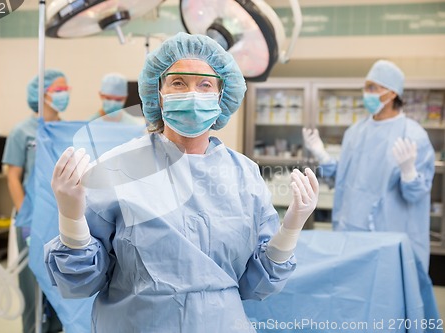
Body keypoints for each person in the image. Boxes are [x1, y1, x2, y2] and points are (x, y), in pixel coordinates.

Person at [45, 32, 319, 333]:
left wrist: (290, 230)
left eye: (205, 85)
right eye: (178, 83)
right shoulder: (118, 168)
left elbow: (255, 285)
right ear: (158, 93)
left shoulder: (244, 175)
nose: (192, 94)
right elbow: (81, 282)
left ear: (220, 96)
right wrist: (71, 220)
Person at [302, 59, 435, 271]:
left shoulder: (413, 136)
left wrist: (409, 174)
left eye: (372, 88)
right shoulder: (355, 132)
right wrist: (323, 155)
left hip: (390, 237)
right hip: (350, 232)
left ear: (392, 94)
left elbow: (416, 196)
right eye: (365, 87)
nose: (366, 93)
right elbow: (344, 179)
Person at [2, 69, 67, 333]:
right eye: (59, 90)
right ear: (41, 95)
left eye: (66, 90)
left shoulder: (63, 129)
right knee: (33, 290)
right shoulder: (22, 131)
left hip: (58, 220)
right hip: (31, 221)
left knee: (61, 291)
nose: (65, 95)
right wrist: (26, 216)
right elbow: (13, 177)